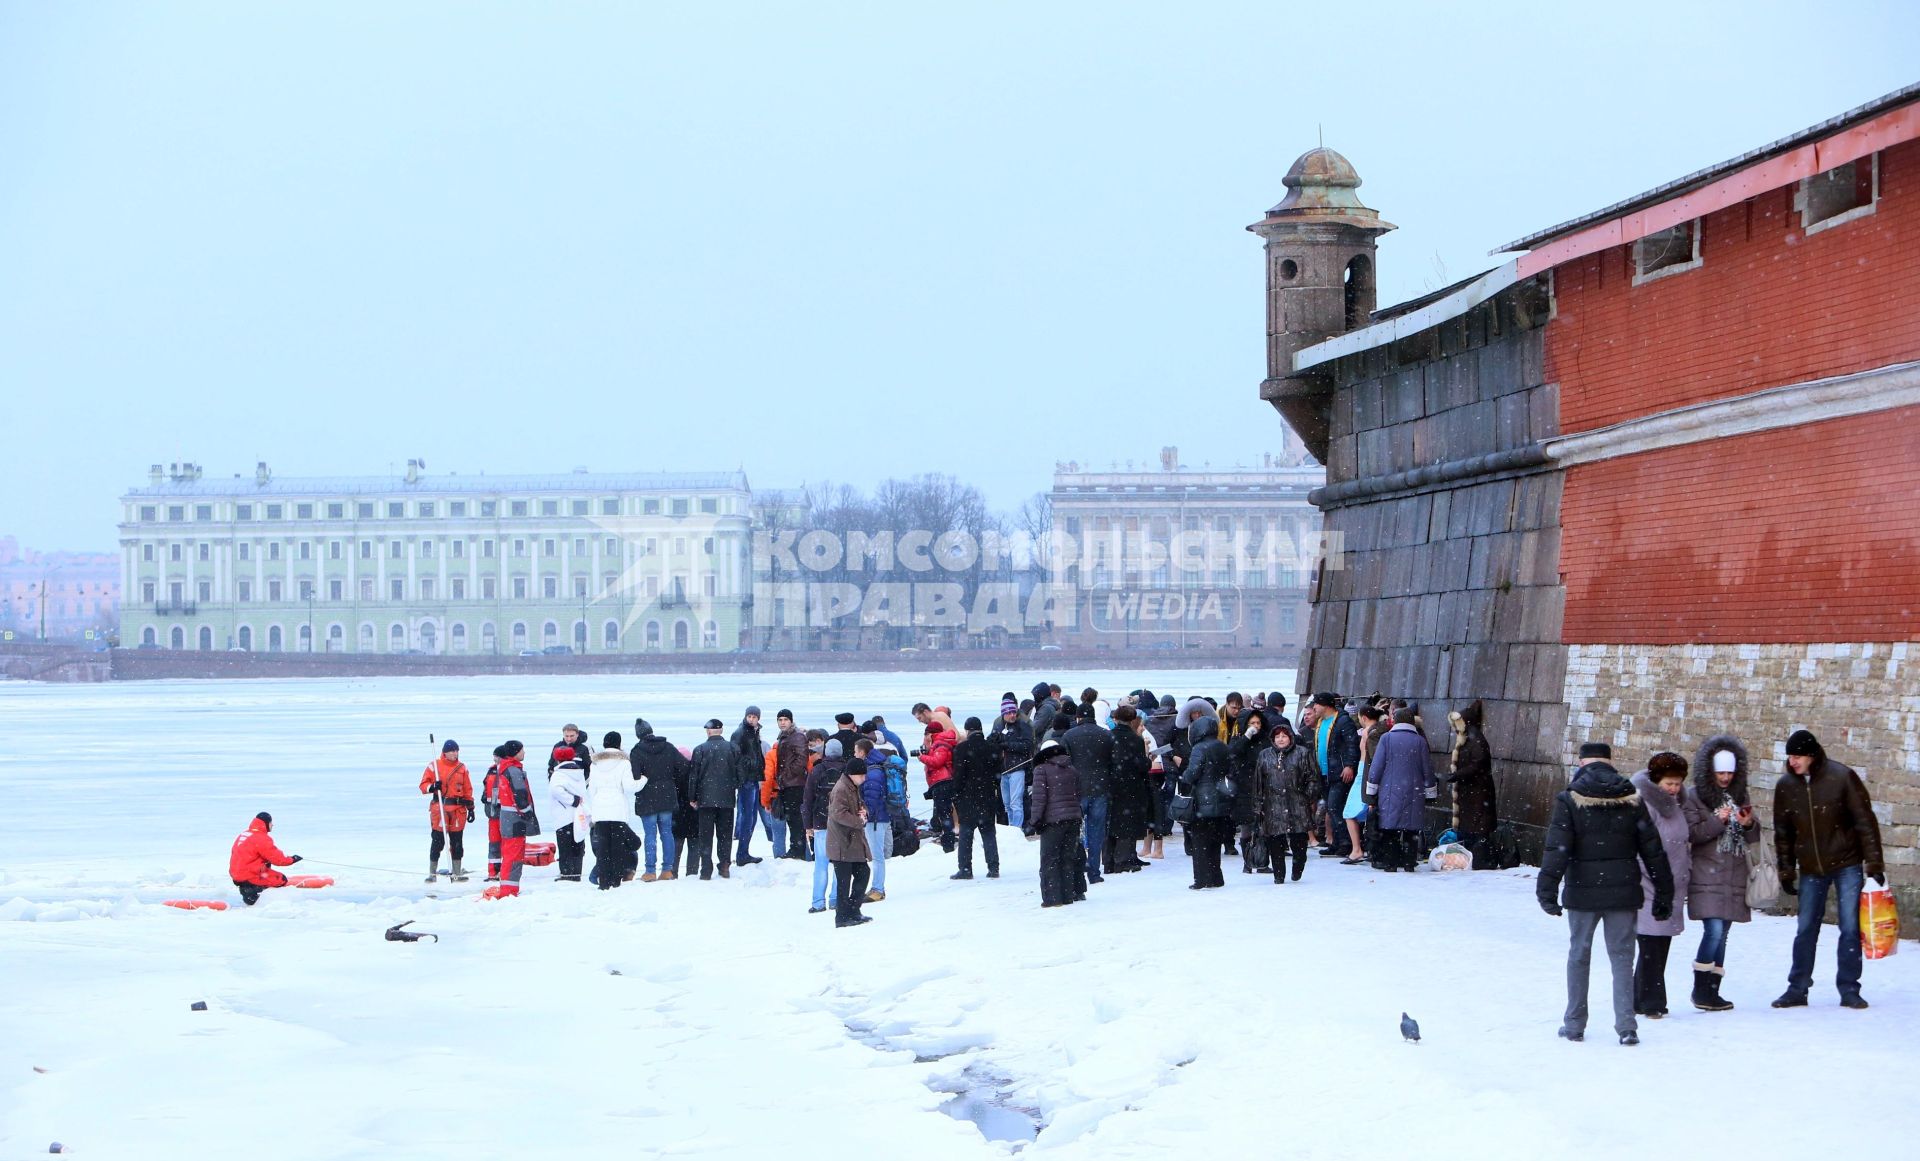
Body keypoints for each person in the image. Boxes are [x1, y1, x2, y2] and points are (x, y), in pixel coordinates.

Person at [1537, 744, 1674, 1045]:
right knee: (1623, 957)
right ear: (1610, 763)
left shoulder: (1570, 798)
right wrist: (1665, 892)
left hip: (1582, 892)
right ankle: (1626, 1026)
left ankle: (1574, 1024)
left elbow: (1556, 848)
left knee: (1579, 955)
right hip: (1622, 892)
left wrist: (1547, 889)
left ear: (1583, 762)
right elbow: (1653, 850)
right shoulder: (1631, 798)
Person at [1771, 729, 1884, 1010]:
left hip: (1846, 864)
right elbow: (1783, 833)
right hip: (1811, 867)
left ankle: (1849, 989)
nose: (1793, 761)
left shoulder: (1841, 777)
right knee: (1806, 928)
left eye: (1797, 755)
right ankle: (1797, 987)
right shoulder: (1786, 786)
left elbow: (1865, 822)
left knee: (1849, 927)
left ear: (1811, 755)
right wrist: (1786, 870)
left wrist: (1874, 864)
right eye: (1790, 756)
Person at [1681, 735, 1758, 1011]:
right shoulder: (1694, 796)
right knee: (1713, 930)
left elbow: (1754, 835)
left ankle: (1713, 991)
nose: (1725, 778)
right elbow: (1693, 833)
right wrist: (1717, 820)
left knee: (1723, 933)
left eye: (1730, 772)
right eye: (1720, 772)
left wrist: (1748, 824)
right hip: (1707, 872)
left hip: (1734, 874)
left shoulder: (1741, 795)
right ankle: (1700, 989)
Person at [1630, 752, 1693, 1019]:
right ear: (1656, 781)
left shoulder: (1675, 804)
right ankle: (1653, 1002)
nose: (1674, 788)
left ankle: (1640, 999)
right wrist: (1655, 875)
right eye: (1669, 783)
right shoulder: (1644, 804)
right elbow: (1640, 846)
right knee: (1651, 944)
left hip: (1673, 884)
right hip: (1649, 883)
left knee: (1659, 944)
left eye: (1678, 783)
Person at [1364, 708, 1437, 873]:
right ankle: (1409, 863)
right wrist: (1430, 792)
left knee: (1390, 829)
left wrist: (1371, 790)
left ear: (1395, 721)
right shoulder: (1420, 741)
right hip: (1414, 792)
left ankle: (1391, 863)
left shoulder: (1386, 739)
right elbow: (1427, 769)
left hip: (1390, 791)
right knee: (1411, 829)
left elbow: (1376, 767)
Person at [1256, 720, 1320, 883]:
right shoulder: (1265, 755)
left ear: (1290, 737)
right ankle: (1279, 875)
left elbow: (1313, 777)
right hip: (1272, 803)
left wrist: (1308, 795)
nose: (1281, 739)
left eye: (1284, 736)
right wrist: (1258, 805)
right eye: (1277, 736)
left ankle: (1297, 868)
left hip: (1297, 802)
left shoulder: (1302, 753)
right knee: (1275, 841)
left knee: (1299, 841)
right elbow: (1258, 782)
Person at [1062, 701, 1115, 883]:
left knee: (1074, 831)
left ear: (1078, 717)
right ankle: (1094, 872)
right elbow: (1113, 763)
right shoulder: (1106, 735)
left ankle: (1076, 870)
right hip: (1101, 788)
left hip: (1077, 789)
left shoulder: (1069, 736)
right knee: (1096, 832)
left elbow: (1065, 764)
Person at [630, 718, 688, 881]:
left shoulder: (637, 751)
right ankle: (667, 870)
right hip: (667, 796)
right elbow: (683, 766)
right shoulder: (668, 747)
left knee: (650, 835)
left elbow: (635, 776)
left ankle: (650, 871)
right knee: (667, 833)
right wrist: (670, 780)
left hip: (647, 797)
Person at [1180, 714, 1233, 890]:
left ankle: (1201, 878)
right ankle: (1216, 876)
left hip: (1203, 801)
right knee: (1215, 841)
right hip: (1221, 799)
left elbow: (1191, 774)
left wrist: (1185, 776)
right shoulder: (1223, 747)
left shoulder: (1199, 749)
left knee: (1200, 842)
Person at [1027, 738, 1082, 907]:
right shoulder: (1071, 769)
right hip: (1073, 819)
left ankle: (1053, 898)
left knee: (1050, 859)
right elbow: (1079, 794)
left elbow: (1039, 799)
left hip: (1053, 821)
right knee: (1067, 858)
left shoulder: (1041, 770)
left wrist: (1035, 820)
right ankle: (1067, 895)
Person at [483, 741, 540, 898]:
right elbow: (520, 795)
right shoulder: (513, 770)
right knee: (514, 855)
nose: (524, 753)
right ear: (515, 752)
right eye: (522, 750)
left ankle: (508, 887)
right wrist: (528, 813)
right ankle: (509, 890)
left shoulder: (504, 769)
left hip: (507, 819)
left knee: (509, 853)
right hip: (515, 820)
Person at [1446, 700, 1497, 868]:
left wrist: (1457, 775)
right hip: (1472, 790)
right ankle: (1475, 856)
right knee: (1473, 824)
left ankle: (1480, 858)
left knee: (1477, 824)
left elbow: (1478, 763)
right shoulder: (1471, 737)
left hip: (1476, 790)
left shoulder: (1475, 739)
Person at [1310, 693, 1360, 857]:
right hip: (1324, 773)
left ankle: (1345, 842)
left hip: (1339, 771)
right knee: (1331, 810)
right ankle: (1336, 842)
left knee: (1335, 806)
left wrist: (1349, 765)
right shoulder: (1321, 722)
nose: (1314, 708)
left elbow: (1352, 744)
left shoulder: (1343, 721)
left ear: (1325, 705)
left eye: (1316, 704)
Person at [950, 717, 1001, 879]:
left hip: (967, 798)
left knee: (966, 834)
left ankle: (965, 869)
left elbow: (958, 776)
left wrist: (955, 794)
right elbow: (998, 775)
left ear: (967, 731)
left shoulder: (961, 749)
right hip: (986, 796)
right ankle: (993, 868)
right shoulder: (992, 748)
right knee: (988, 833)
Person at [588, 731, 639, 889]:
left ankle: (604, 881)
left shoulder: (594, 764)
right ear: (619, 744)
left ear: (604, 744)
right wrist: (643, 779)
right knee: (617, 847)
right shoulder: (624, 763)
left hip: (600, 810)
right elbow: (630, 786)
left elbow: (592, 790)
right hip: (617, 810)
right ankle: (616, 880)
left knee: (603, 848)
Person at [688, 719, 737, 880]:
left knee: (706, 835)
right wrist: (732, 787)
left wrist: (692, 797)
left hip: (706, 799)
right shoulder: (732, 748)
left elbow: (693, 776)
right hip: (727, 799)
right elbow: (740, 773)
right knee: (725, 834)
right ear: (721, 730)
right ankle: (724, 865)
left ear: (708, 731)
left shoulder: (700, 749)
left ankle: (706, 869)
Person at [828, 756, 874, 928]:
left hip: (852, 842)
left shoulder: (852, 787)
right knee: (844, 881)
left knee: (863, 872)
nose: (864, 779)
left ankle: (853, 910)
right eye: (861, 775)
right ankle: (842, 916)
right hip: (842, 842)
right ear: (852, 774)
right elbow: (837, 814)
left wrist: (864, 812)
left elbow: (860, 807)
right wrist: (858, 820)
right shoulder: (841, 789)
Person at [1107, 705, 1153, 873]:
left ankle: (1111, 860)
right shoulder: (1135, 739)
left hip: (1113, 784)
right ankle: (1124, 859)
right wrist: (1148, 759)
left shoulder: (1110, 737)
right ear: (1132, 720)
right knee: (1128, 822)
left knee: (1114, 821)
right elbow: (1141, 764)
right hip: (1132, 785)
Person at [420, 739, 473, 883]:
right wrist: (432, 787)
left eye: (456, 751)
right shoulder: (434, 766)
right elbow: (423, 785)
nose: (455, 754)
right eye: (452, 751)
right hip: (440, 810)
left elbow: (468, 789)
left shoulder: (462, 768)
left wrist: (471, 807)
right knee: (437, 841)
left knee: (457, 843)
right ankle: (432, 873)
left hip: (458, 811)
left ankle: (456, 873)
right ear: (445, 752)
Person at [804, 739, 847, 913]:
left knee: (821, 864)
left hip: (821, 822)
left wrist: (808, 824)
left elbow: (807, 800)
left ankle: (818, 902)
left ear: (826, 752)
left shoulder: (817, 771)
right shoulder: (846, 771)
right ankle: (835, 899)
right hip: (842, 823)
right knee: (839, 863)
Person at [1226, 708, 1270, 874]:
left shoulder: (1265, 740)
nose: (1256, 726)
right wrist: (1247, 736)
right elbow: (1233, 753)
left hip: (1263, 786)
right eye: (1252, 723)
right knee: (1247, 826)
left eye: (1258, 723)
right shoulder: (1239, 739)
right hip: (1244, 787)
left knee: (1263, 827)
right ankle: (1247, 862)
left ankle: (1261, 862)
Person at [229, 811, 300, 905]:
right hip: (249, 874)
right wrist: (292, 859)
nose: (272, 825)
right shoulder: (261, 838)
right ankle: (254, 892)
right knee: (281, 879)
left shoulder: (245, 834)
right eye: (271, 823)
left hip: (236, 873)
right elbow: (278, 859)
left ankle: (249, 888)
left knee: (266, 866)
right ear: (266, 823)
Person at [913, 703, 959, 852]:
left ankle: (949, 840)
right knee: (945, 810)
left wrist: (924, 758)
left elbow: (939, 760)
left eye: (920, 717)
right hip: (942, 779)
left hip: (943, 780)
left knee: (944, 811)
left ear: (925, 711)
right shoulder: (939, 741)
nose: (920, 721)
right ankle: (949, 835)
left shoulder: (939, 722)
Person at [855, 737, 893, 901]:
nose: (854, 754)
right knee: (878, 855)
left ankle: (878, 889)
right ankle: (877, 887)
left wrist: (866, 813)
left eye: (855, 751)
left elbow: (871, 797)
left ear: (863, 752)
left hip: (876, 819)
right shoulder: (878, 766)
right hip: (882, 816)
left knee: (877, 856)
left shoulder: (872, 773)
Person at [1347, 703, 1385, 866]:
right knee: (1367, 811)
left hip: (1364, 771)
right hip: (1370, 771)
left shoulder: (1368, 732)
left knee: (1348, 812)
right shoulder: (1379, 729)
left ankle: (1356, 849)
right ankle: (1365, 847)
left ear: (1363, 718)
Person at [989, 696, 1034, 831]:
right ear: (1003, 713)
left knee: (1016, 803)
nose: (1012, 715)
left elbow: (1028, 745)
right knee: (1007, 804)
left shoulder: (1023, 726)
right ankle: (1011, 829)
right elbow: (993, 746)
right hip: (1003, 770)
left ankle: (1016, 829)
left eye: (1014, 712)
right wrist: (993, 742)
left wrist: (1007, 745)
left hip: (1017, 768)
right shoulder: (998, 727)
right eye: (1009, 713)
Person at [548, 745, 589, 883]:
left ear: (557, 759)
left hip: (563, 815)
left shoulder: (558, 774)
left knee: (565, 847)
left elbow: (556, 790)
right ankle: (576, 873)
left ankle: (567, 874)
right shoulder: (579, 772)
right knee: (578, 843)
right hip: (579, 815)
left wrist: (573, 800)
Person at [730, 707, 765, 866]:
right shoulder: (741, 733)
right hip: (747, 780)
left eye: (754, 717)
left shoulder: (753, 732)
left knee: (751, 817)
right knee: (747, 817)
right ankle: (742, 853)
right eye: (749, 716)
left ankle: (744, 852)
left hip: (753, 778)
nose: (752, 719)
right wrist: (751, 765)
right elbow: (735, 756)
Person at [774, 709, 811, 859]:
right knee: (791, 818)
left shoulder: (797, 737)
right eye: (780, 720)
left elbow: (801, 760)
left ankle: (798, 850)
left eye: (785, 720)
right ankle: (795, 848)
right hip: (788, 784)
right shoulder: (785, 737)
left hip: (795, 784)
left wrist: (785, 775)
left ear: (791, 721)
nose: (782, 722)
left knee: (795, 818)